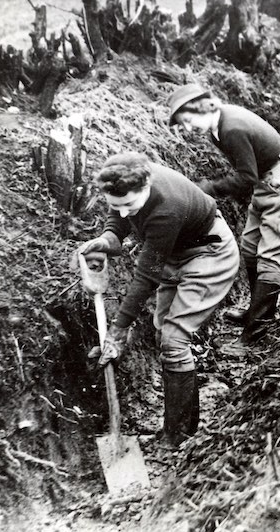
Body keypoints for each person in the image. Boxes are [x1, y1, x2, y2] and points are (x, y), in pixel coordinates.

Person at [73, 151, 239, 448]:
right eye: (116, 205)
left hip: (209, 254)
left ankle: (177, 436)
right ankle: (182, 426)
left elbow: (147, 276)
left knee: (174, 341)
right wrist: (109, 239)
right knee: (165, 332)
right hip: (175, 254)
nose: (123, 212)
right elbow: (119, 220)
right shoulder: (125, 179)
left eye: (129, 205)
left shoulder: (166, 208)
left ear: (147, 186)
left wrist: (119, 328)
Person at [167, 85, 280, 348]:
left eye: (188, 120)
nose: (188, 129)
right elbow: (249, 173)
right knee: (250, 247)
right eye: (182, 125)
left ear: (203, 107)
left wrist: (209, 188)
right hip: (266, 184)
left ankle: (255, 334)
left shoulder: (232, 128)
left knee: (269, 258)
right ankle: (255, 312)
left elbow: (246, 177)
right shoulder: (217, 128)